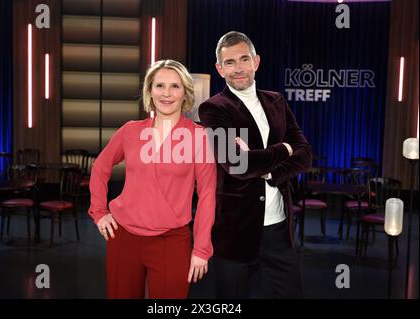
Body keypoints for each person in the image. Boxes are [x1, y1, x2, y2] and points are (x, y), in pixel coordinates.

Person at [88, 59, 216, 299]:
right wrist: (98, 211)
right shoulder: (130, 131)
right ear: (150, 91)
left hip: (172, 241)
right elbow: (100, 167)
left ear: (186, 93)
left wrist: (201, 248)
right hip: (124, 237)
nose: (166, 94)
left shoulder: (199, 137)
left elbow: (208, 195)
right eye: (159, 86)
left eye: (175, 86)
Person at [199, 31, 312, 298]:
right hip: (235, 234)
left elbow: (305, 155)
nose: (238, 68)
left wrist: (268, 171)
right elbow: (238, 165)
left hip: (279, 231)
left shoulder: (277, 101)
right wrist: (283, 149)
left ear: (256, 61)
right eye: (229, 62)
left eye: (244, 59)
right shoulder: (213, 108)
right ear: (219, 69)